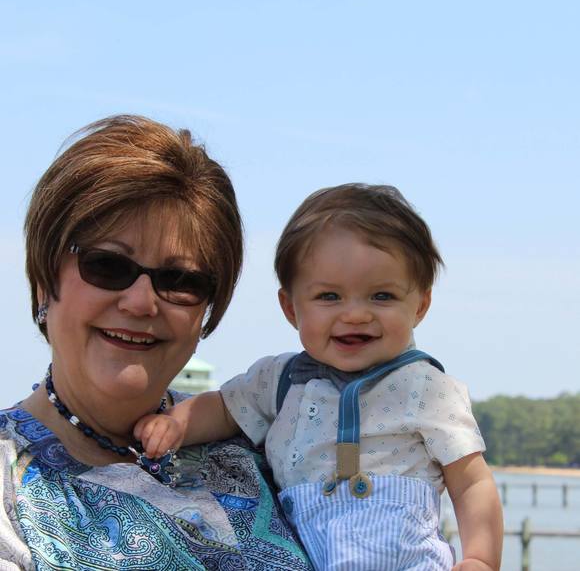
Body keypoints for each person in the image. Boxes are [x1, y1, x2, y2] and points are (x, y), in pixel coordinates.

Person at [137, 183, 504, 571]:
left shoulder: (428, 389)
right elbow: (225, 409)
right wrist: (176, 424)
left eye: (382, 296)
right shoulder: (281, 380)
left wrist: (480, 558)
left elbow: (471, 482)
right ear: (290, 308)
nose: (355, 314)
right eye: (329, 296)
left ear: (420, 306)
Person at [0, 115, 312, 570]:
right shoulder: (9, 487)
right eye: (108, 266)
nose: (142, 302)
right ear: (44, 282)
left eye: (179, 280)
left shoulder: (267, 444)